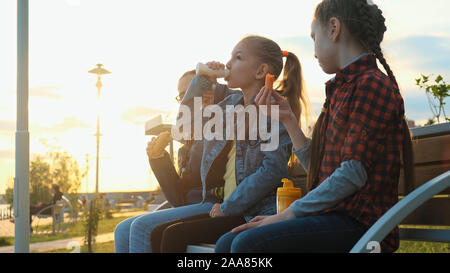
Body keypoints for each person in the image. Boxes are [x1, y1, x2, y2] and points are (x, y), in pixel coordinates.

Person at [215, 0, 414, 253]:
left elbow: (352, 174)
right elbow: (322, 176)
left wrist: (288, 215)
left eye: (313, 37)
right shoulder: (341, 90)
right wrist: (288, 119)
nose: (314, 50)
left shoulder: (371, 85)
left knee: (247, 244)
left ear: (333, 28)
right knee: (227, 243)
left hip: (362, 226)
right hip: (334, 217)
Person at [114, 35, 306, 253]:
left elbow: (272, 169)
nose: (228, 64)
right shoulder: (229, 105)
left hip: (250, 209)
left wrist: (228, 206)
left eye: (238, 57)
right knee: (127, 229)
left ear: (260, 71)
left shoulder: (273, 111)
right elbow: (184, 128)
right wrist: (202, 79)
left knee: (151, 230)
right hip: (220, 205)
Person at [146, 70, 237, 207]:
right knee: (125, 227)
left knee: (139, 226)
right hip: (191, 206)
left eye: (190, 92)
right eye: (181, 96)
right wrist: (158, 158)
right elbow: (178, 198)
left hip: (212, 207)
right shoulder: (187, 146)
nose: (184, 100)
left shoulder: (222, 131)